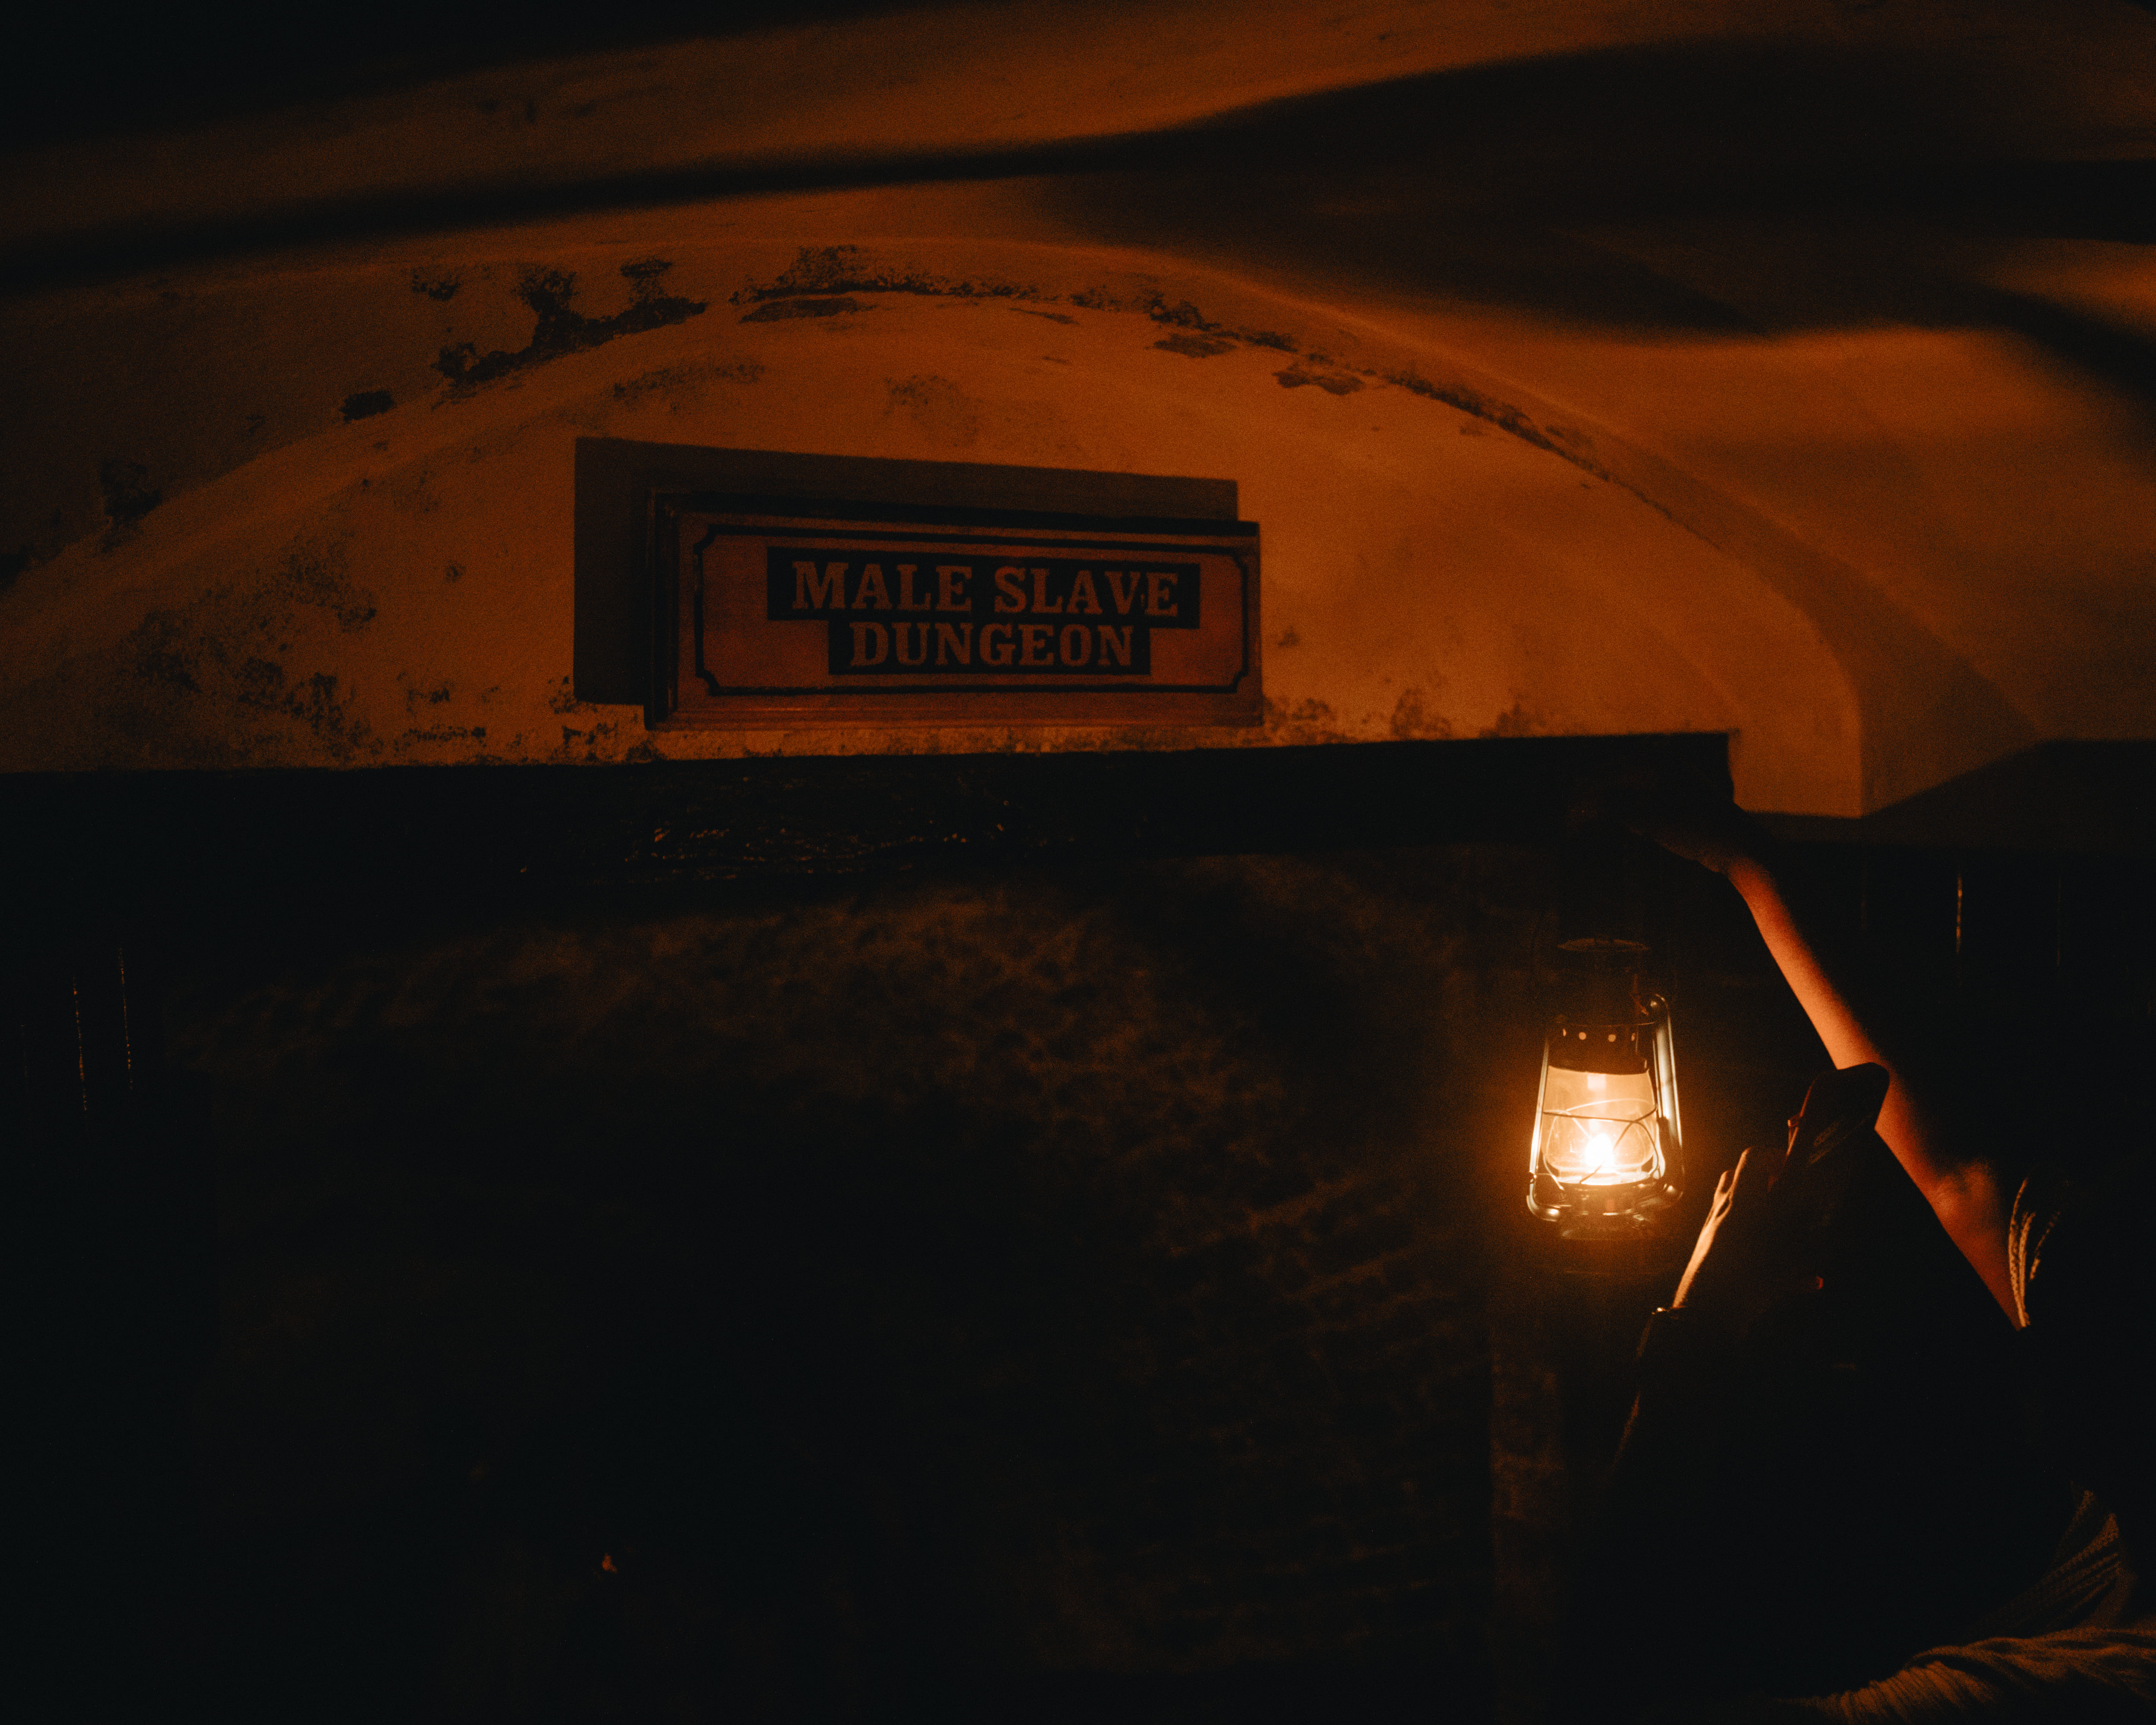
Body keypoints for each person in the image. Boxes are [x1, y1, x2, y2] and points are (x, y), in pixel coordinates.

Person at [1567, 787, 2156, 1722]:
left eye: (2060, 1339)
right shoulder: (2127, 1500)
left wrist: (1702, 1320)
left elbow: (1608, 1701)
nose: (2030, 1351)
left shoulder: (2085, 1684)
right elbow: (1959, 1171)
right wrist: (1751, 865)